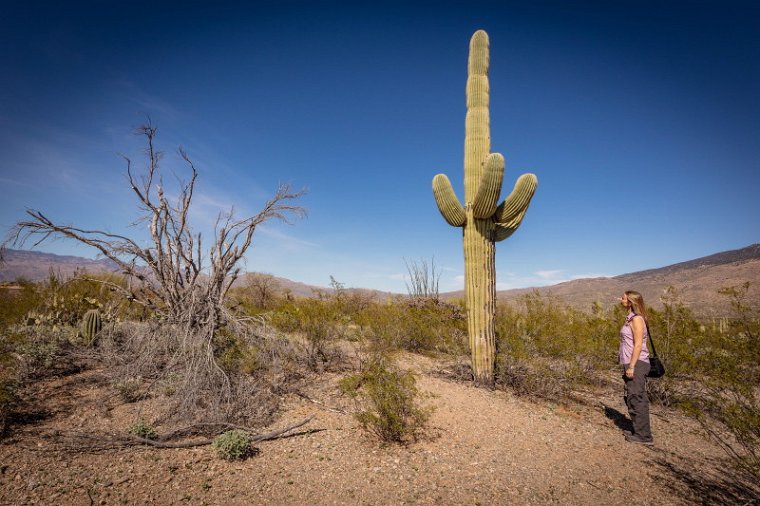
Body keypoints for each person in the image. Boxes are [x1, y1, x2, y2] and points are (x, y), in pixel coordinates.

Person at [618, 290, 653, 445]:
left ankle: (644, 436)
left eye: (623, 298)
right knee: (633, 396)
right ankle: (638, 430)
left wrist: (632, 366)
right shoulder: (630, 318)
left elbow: (638, 344)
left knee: (636, 397)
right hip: (631, 363)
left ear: (630, 302)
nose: (621, 299)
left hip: (637, 363)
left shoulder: (637, 319)